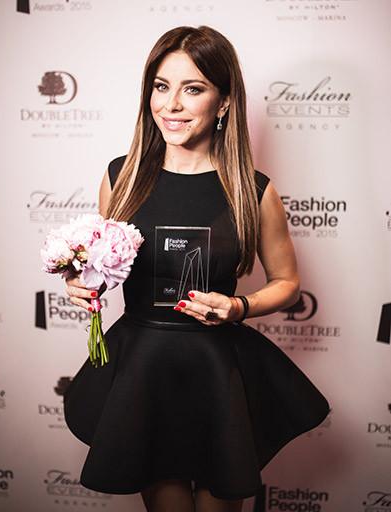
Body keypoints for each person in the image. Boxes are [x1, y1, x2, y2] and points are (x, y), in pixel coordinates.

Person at [63, 25, 330, 512]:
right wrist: (83, 282)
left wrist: (238, 306)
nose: (172, 105)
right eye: (161, 87)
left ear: (223, 102)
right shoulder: (120, 177)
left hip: (216, 371)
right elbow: (102, 264)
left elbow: (288, 284)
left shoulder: (253, 190)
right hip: (144, 370)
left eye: (193, 89)